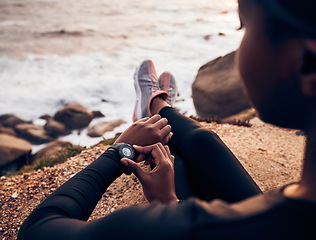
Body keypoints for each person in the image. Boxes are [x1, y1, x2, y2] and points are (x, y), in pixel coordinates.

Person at [18, 0, 316, 239]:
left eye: (245, 27)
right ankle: (158, 106)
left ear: (306, 63)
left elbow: (38, 228)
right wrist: (169, 201)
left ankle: (153, 108)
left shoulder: (183, 228)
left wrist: (118, 151)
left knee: (178, 157)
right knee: (202, 141)